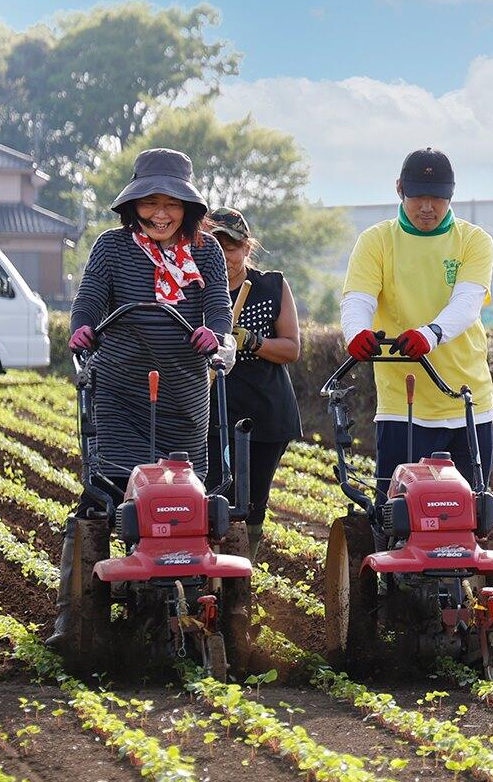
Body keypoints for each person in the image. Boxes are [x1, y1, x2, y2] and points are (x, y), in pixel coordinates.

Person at [47, 148, 232, 647]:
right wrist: (82, 329)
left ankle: (191, 602)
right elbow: (87, 302)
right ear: (134, 205)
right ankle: (75, 621)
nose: (161, 214)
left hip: (184, 394)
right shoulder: (111, 248)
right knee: (108, 498)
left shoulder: (208, 252)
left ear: (188, 209)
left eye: (171, 204)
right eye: (150, 202)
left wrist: (214, 334)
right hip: (120, 392)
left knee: (182, 504)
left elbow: (217, 306)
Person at [340, 148, 493, 496]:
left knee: (473, 509)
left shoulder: (474, 241)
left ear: (450, 195)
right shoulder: (376, 241)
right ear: (400, 189)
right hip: (403, 404)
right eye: (418, 197)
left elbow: (467, 303)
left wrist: (430, 334)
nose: (428, 207)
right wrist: (356, 332)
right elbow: (359, 298)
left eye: (437, 198)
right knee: (397, 510)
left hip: (467, 399)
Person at [203, 207, 302, 561]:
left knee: (254, 498)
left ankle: (242, 575)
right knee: (212, 492)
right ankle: (209, 574)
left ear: (246, 248)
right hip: (210, 409)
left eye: (231, 247)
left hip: (265, 411)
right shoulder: (192, 288)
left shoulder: (271, 285)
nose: (224, 255)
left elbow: (291, 348)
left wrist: (253, 342)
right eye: (215, 246)